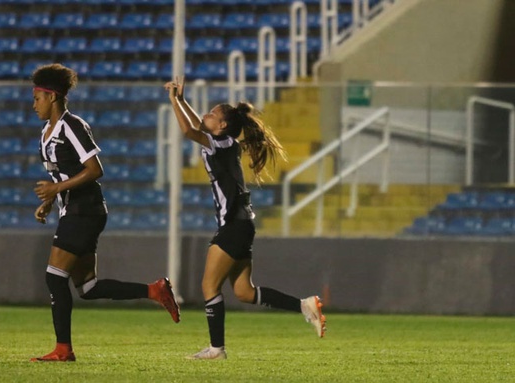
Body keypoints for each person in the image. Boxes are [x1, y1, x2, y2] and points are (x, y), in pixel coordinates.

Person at [164, 78, 326, 360]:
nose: (207, 115)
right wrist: (181, 99)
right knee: (244, 292)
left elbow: (190, 130)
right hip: (241, 224)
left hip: (234, 226)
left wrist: (174, 101)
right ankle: (305, 305)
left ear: (223, 125)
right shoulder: (224, 141)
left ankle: (216, 349)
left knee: (209, 286)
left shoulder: (222, 143)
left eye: (212, 113)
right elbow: (197, 127)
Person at [30, 63, 180, 362]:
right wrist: (49, 201)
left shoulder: (71, 126)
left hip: (85, 210)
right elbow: (62, 176)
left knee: (54, 277)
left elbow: (95, 170)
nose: (33, 104)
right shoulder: (46, 133)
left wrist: (56, 191)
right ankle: (155, 290)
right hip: (74, 210)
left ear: (53, 96)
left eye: (37, 98)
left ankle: (63, 350)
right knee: (88, 287)